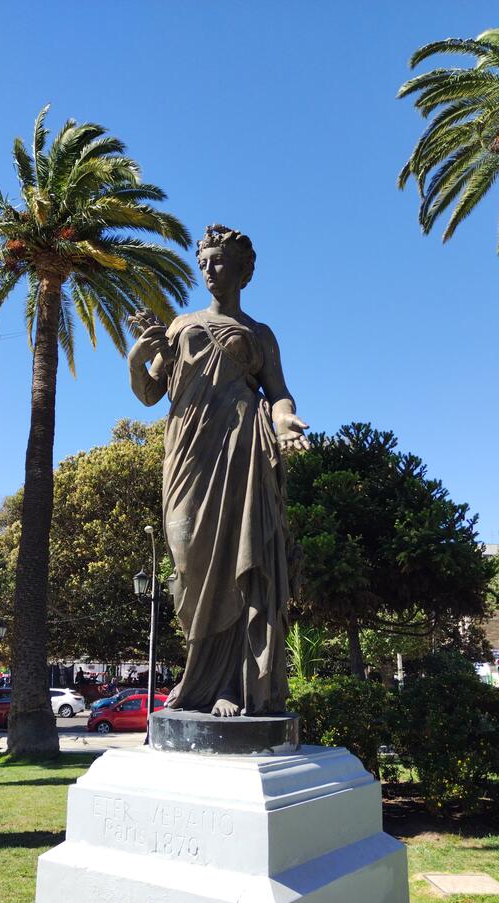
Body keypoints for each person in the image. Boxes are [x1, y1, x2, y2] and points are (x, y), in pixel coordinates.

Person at [128, 224, 309, 717]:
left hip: (241, 448)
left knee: (238, 560)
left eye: (220, 261)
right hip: (188, 452)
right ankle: (199, 677)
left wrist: (284, 420)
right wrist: (137, 358)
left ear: (244, 270)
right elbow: (149, 393)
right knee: (188, 558)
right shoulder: (181, 326)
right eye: (204, 261)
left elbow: (279, 392)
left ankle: (230, 684)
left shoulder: (259, 334)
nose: (209, 269)